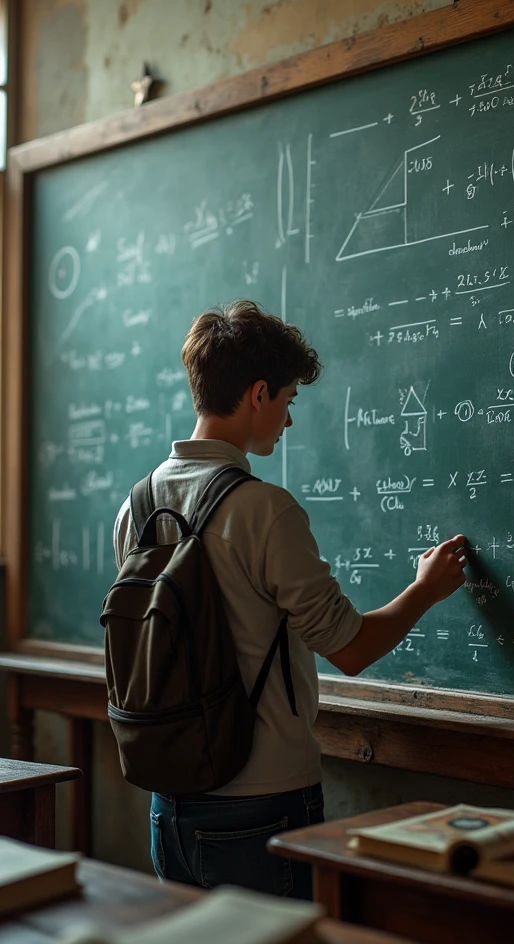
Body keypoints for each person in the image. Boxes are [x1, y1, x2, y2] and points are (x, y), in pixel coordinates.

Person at [113, 300, 467, 899]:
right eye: (287, 400)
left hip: (167, 804)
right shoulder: (264, 511)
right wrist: (425, 590)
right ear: (257, 394)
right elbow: (351, 649)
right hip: (260, 806)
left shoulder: (136, 507)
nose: (289, 419)